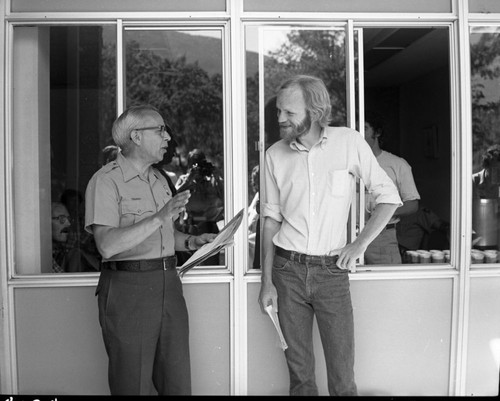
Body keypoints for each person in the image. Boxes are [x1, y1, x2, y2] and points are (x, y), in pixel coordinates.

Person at [258, 75, 401, 396]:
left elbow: (389, 197)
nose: (280, 119)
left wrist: (360, 243)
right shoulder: (273, 155)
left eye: (289, 113)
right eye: (279, 111)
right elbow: (270, 222)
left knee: (342, 377)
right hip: (286, 272)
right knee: (300, 376)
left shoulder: (349, 142)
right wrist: (267, 282)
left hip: (332, 273)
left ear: (314, 110)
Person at [85, 104, 217, 395]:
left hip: (169, 286)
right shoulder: (105, 182)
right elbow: (107, 245)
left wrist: (191, 242)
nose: (167, 137)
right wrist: (159, 216)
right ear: (136, 137)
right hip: (128, 289)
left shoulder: (159, 180)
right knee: (133, 384)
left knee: (177, 382)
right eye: (160, 130)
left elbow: (166, 235)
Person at [363, 113, 420, 264]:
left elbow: (412, 204)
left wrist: (384, 210)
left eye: (364, 128)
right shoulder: (347, 164)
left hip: (381, 235)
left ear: (377, 132)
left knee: (385, 286)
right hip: (347, 236)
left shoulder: (397, 164)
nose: (358, 133)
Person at [51, 201, 72, 273]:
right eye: (61, 218)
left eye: (68, 219)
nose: (68, 224)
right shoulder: (40, 256)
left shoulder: (62, 251)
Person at [248, 164, 260, 268]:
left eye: (256, 180)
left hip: (255, 245)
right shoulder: (257, 196)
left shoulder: (268, 198)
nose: (254, 183)